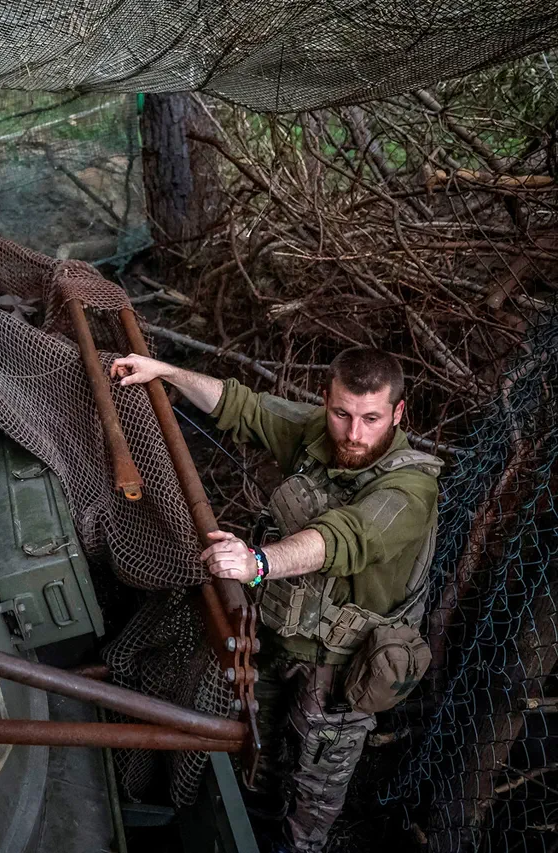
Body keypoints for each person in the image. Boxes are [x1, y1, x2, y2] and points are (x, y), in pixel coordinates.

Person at [109, 346, 441, 853]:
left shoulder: (410, 488)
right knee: (254, 756)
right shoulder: (317, 434)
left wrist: (256, 564)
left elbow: (343, 537)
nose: (353, 434)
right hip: (275, 638)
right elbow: (244, 407)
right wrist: (168, 372)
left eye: (371, 419)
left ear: (398, 414)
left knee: (311, 798)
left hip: (340, 669)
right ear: (326, 400)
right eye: (341, 414)